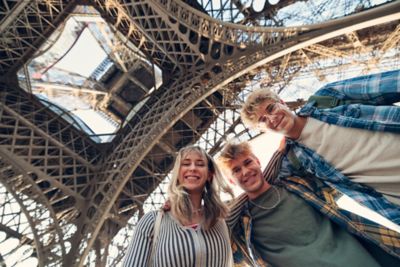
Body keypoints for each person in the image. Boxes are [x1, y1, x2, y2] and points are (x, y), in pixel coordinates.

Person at [240, 69, 400, 223]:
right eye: (263, 120)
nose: (272, 118)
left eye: (271, 108)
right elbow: (263, 190)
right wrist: (278, 155)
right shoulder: (293, 161)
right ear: (263, 130)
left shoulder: (328, 97)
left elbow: (389, 83)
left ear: (282, 102)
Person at [217, 140, 400, 266]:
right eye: (236, 170)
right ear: (231, 181)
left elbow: (326, 159)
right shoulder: (242, 225)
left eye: (248, 163)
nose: (246, 171)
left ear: (258, 162)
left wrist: (280, 153)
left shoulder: (298, 183)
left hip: (357, 259)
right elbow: (210, 237)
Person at [123, 146, 234, 267]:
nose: (192, 168)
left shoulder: (220, 221)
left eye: (200, 164)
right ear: (177, 173)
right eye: (186, 164)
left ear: (209, 174)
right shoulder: (152, 222)